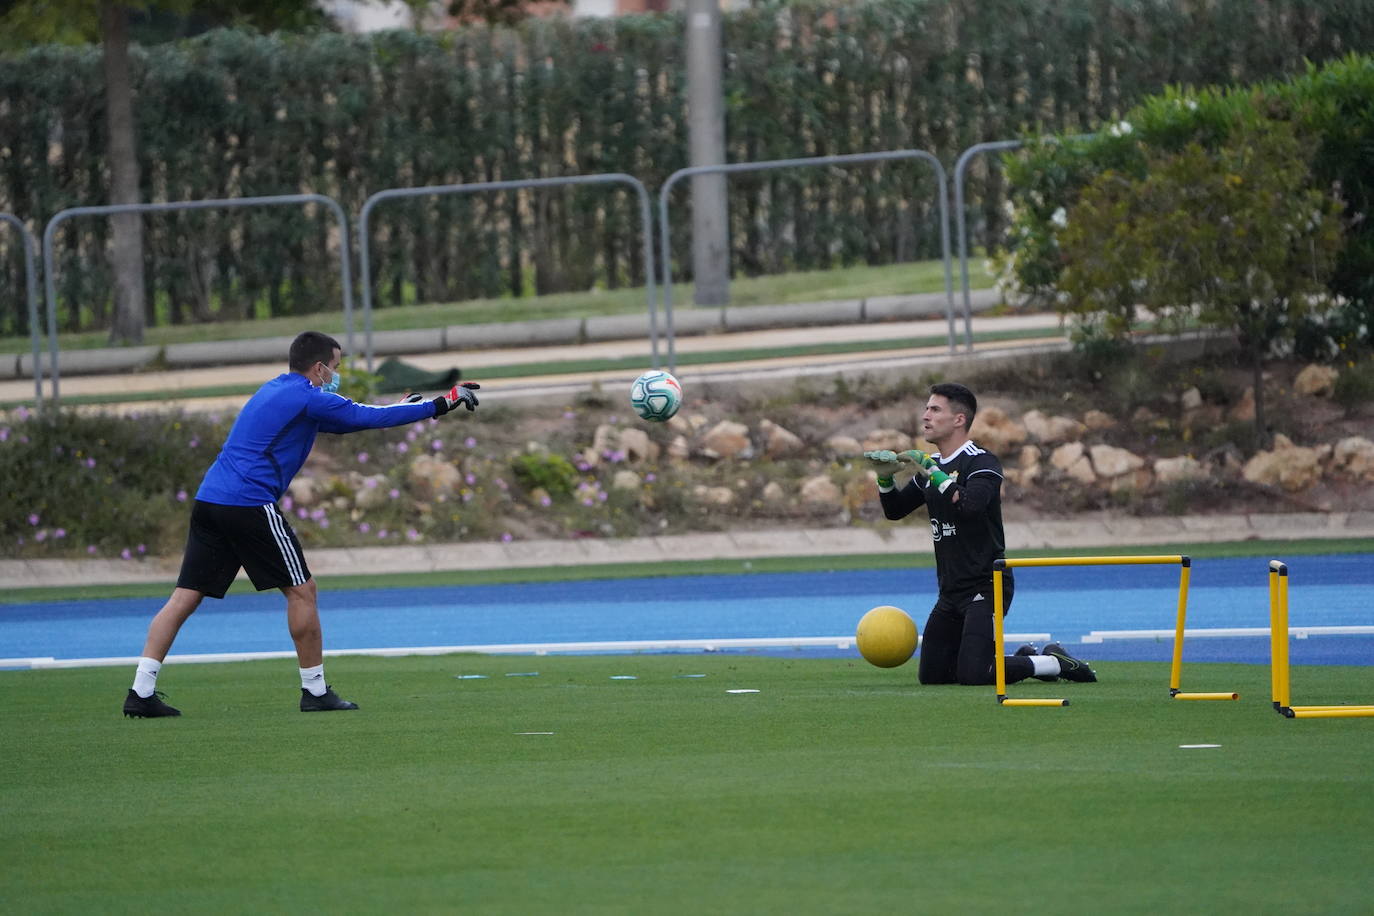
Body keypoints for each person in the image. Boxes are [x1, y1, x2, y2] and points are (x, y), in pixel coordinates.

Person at [122, 331, 480, 718]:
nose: (336, 376)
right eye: (335, 369)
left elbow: (352, 419)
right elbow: (363, 416)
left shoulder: (276, 390)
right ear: (319, 367)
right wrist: (442, 403)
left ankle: (141, 691)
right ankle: (315, 690)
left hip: (210, 500)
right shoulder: (308, 397)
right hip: (248, 503)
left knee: (185, 597)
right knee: (302, 592)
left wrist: (400, 407)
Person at [864, 381, 1097, 687]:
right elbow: (895, 510)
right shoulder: (931, 466)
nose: (926, 416)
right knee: (933, 677)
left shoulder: (981, 461)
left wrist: (932, 472)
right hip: (950, 592)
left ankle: (1053, 662)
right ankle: (1021, 656)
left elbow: (972, 506)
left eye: (935, 410)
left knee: (974, 675)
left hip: (987, 585)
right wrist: (884, 479)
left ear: (959, 420)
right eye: (926, 409)